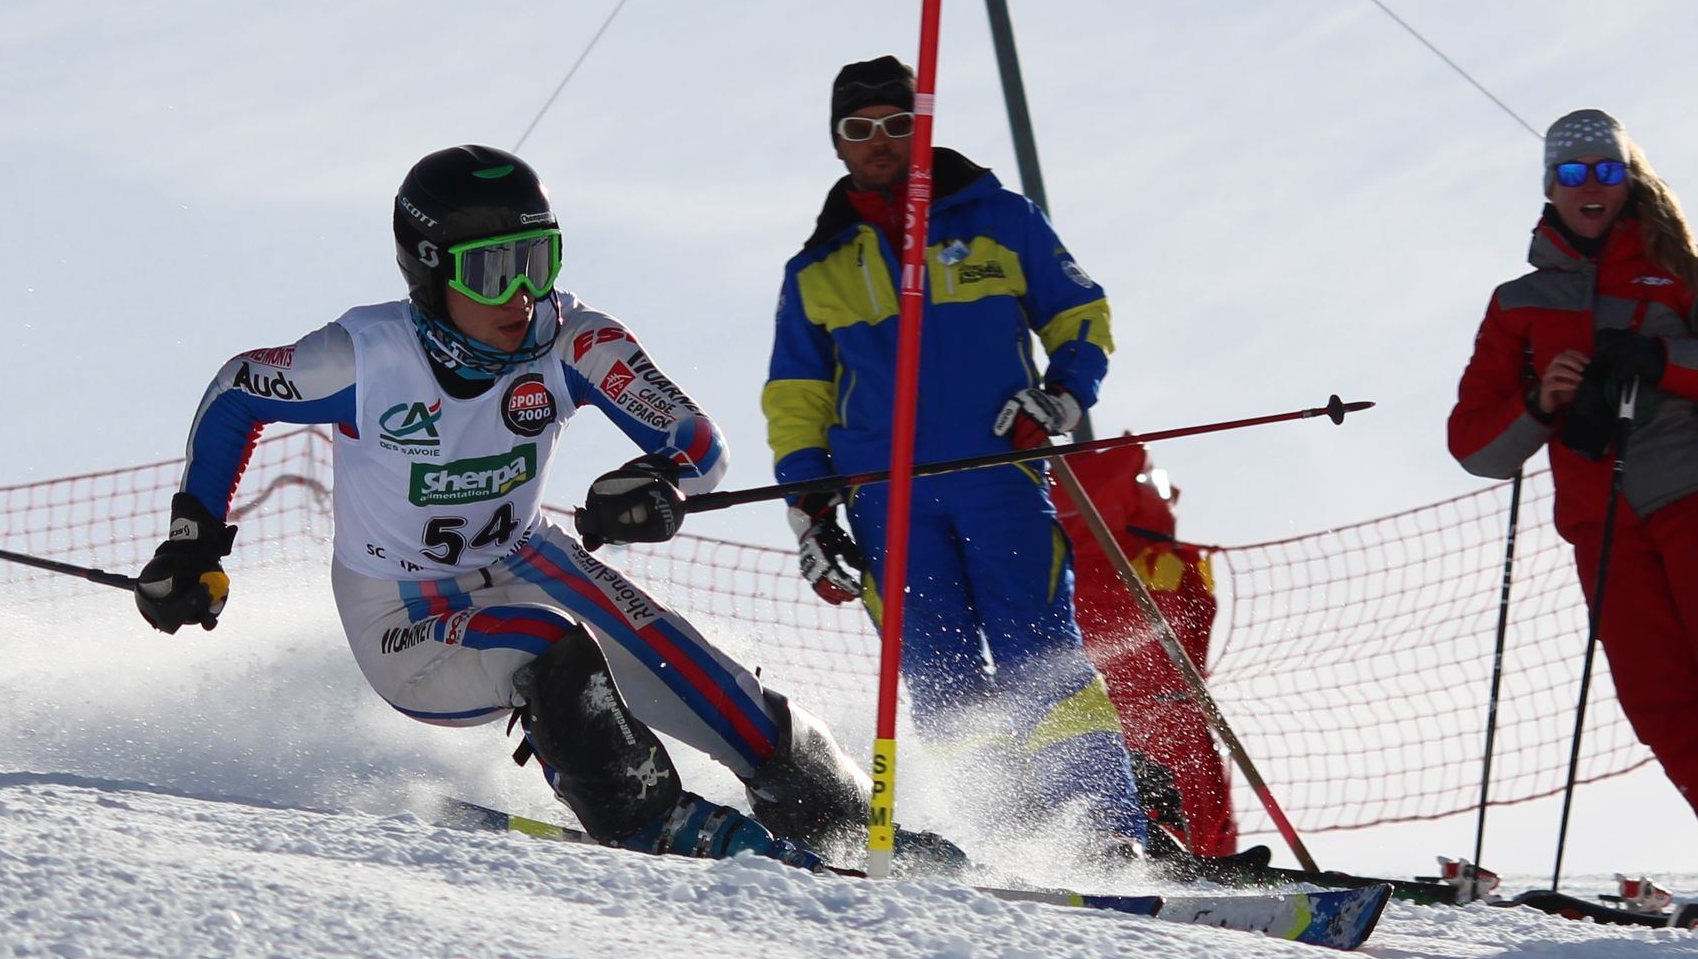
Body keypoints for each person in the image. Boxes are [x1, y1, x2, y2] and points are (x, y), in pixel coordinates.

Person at [134, 144, 908, 870]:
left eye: (538, 261)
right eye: (492, 271)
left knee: (714, 686)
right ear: (431, 271)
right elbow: (238, 391)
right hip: (401, 611)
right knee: (544, 642)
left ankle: (848, 823)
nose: (521, 294)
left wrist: (660, 479)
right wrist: (192, 543)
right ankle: (649, 820)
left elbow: (697, 441)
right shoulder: (364, 359)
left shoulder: (572, 342)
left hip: (529, 557)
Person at [762, 55, 1148, 858]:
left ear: (923, 128)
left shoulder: (998, 218)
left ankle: (1101, 830)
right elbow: (797, 400)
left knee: (1040, 655)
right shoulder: (817, 268)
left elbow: (1079, 312)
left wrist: (1064, 396)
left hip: (996, 474)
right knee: (940, 674)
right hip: (885, 499)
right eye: (859, 128)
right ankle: (1004, 835)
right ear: (837, 142)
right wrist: (811, 514)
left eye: (897, 124)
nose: (878, 141)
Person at [1449, 109, 1698, 818]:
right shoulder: (1519, 303)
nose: (1591, 185)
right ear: (1551, 187)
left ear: (1629, 181)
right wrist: (1540, 401)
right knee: (1658, 700)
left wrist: (1658, 359)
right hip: (1604, 530)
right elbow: (1474, 447)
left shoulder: (1680, 273)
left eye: (1607, 171)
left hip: (1689, 497)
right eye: (1573, 172)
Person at [1050, 445, 1239, 857]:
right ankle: (1193, 854)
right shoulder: (1164, 557)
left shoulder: (1048, 551)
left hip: (1075, 710)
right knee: (1188, 809)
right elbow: (1198, 617)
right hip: (1168, 712)